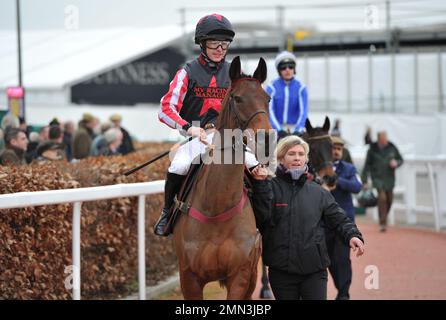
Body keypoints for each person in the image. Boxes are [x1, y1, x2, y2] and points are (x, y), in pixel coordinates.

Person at [154, 13, 259, 237]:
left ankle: (266, 219)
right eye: (214, 42)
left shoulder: (236, 74)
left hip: (230, 139)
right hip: (196, 137)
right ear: (202, 43)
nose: (220, 48)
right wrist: (189, 128)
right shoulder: (186, 72)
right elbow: (165, 110)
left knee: (260, 168)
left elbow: (248, 107)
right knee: (178, 166)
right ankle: (167, 212)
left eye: (225, 43)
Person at [250, 135, 364, 300]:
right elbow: (262, 220)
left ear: (306, 159)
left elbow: (339, 218)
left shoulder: (318, 191)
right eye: (291, 154)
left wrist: (353, 235)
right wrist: (260, 185)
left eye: (301, 154)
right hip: (281, 272)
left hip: (314, 271)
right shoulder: (269, 188)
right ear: (281, 158)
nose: (297, 158)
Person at [325, 136, 363, 300]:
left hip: (344, 222)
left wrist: (338, 180)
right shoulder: (320, 168)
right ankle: (340, 288)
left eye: (339, 149)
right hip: (323, 222)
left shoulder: (349, 168)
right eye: (333, 148)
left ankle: (343, 294)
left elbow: (357, 187)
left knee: (342, 259)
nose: (336, 152)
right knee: (329, 261)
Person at [361, 131, 403, 232]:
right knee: (382, 198)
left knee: (390, 199)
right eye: (383, 140)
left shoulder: (392, 147)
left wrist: (396, 163)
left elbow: (400, 159)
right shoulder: (372, 149)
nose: (385, 141)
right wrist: (365, 181)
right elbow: (366, 166)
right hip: (377, 178)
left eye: (386, 139)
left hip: (389, 179)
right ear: (379, 139)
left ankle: (384, 217)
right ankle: (383, 223)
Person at [265, 51, 308, 138]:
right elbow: (270, 111)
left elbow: (303, 112)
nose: (287, 70)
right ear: (279, 70)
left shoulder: (301, 88)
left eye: (291, 67)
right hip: (275, 129)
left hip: (296, 129)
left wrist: (297, 130)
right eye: (283, 68)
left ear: (294, 69)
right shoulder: (271, 87)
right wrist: (278, 129)